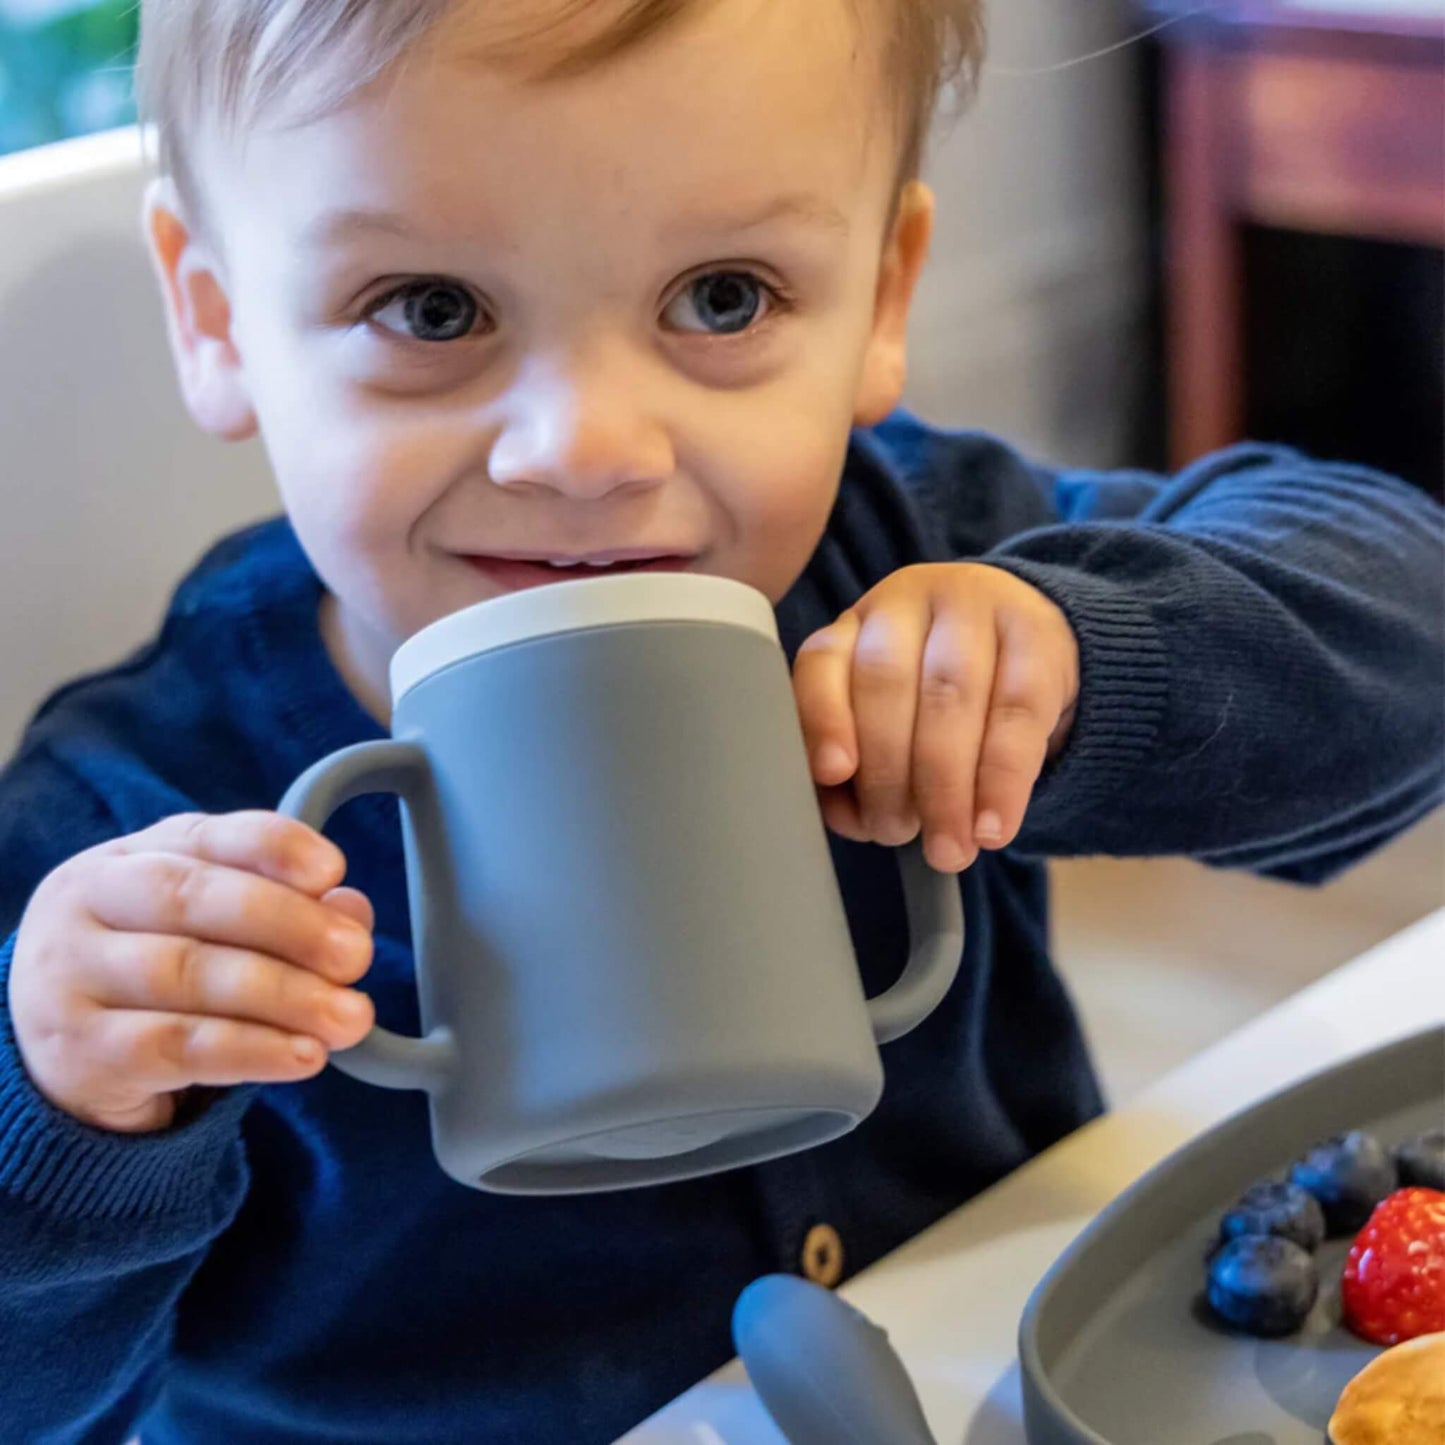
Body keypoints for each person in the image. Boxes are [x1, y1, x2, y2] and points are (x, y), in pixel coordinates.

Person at [1, 1, 1440, 1441]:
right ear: (217, 318)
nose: (585, 449)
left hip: (998, 1381)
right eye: (432, 309)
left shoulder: (910, 550)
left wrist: (1082, 662)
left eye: (723, 297)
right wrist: (66, 1113)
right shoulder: (131, 823)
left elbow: (1405, 618)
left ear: (880, 300)